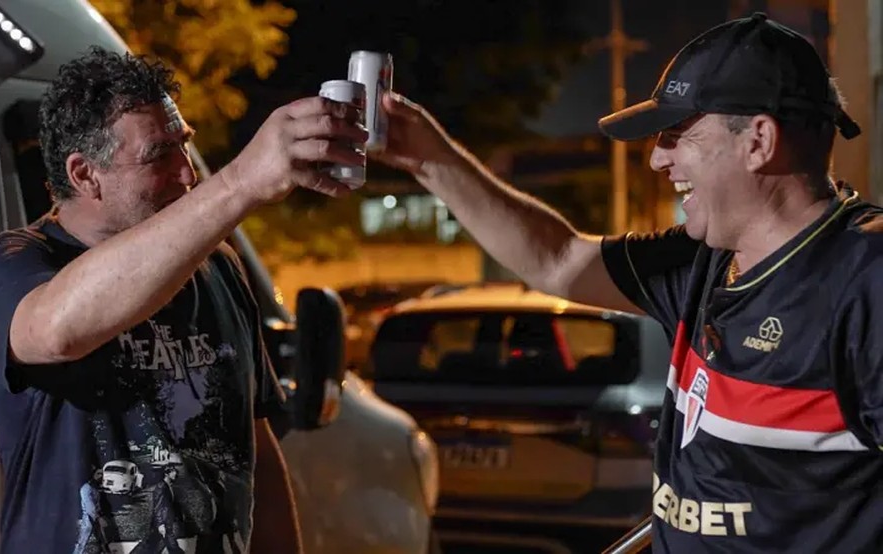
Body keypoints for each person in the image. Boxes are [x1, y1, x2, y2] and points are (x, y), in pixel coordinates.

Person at [373, 12, 883, 552]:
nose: (657, 158)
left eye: (678, 134)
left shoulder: (864, 280)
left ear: (757, 140)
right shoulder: (706, 259)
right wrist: (425, 159)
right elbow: (559, 259)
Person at [0, 46, 365, 553]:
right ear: (84, 174)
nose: (187, 174)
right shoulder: (13, 262)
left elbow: (256, 448)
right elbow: (54, 331)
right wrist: (242, 182)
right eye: (159, 154)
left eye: (185, 144)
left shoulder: (217, 266)